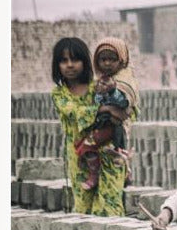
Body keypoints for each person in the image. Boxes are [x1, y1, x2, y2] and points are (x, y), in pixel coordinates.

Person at [50, 37, 123, 216]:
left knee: (109, 206)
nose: (70, 65)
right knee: (83, 207)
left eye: (75, 59)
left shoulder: (97, 87)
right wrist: (105, 109)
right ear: (57, 65)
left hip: (107, 153)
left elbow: (124, 111)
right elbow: (75, 112)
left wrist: (114, 109)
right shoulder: (59, 94)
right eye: (64, 60)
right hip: (79, 157)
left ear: (85, 62)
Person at [74, 37, 140, 192]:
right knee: (89, 148)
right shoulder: (101, 80)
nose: (107, 63)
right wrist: (102, 100)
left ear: (122, 60)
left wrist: (112, 91)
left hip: (115, 126)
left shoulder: (125, 79)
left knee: (89, 146)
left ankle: (94, 175)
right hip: (102, 122)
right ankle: (124, 175)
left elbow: (125, 103)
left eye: (112, 59)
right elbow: (95, 103)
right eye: (103, 60)